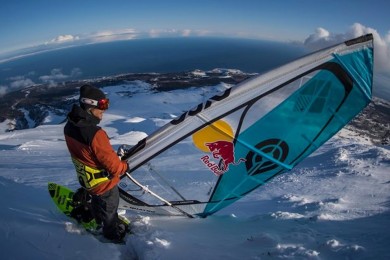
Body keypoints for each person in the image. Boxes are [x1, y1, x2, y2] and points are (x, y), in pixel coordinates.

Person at [64, 84, 129, 242]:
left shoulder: (69, 126)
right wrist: (124, 166)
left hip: (87, 180)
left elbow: (87, 155)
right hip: (103, 183)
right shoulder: (95, 134)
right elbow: (113, 166)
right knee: (110, 209)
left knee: (97, 200)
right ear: (89, 105)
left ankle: (97, 218)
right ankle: (111, 235)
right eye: (101, 106)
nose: (104, 111)